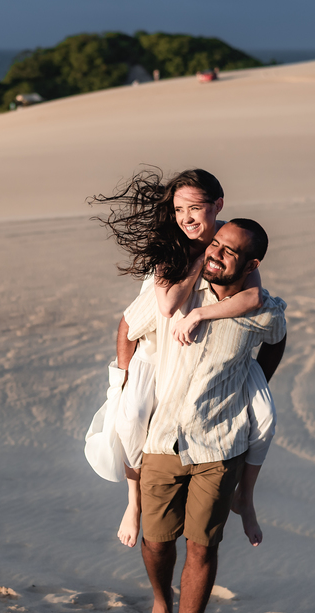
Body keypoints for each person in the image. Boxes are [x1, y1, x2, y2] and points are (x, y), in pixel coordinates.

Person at [121, 219, 286, 613]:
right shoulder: (178, 295)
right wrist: (123, 384)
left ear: (251, 264)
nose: (216, 253)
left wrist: (254, 381)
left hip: (219, 444)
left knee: (202, 545)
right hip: (163, 438)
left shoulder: (261, 310)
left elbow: (276, 338)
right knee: (155, 542)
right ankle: (161, 600)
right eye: (215, 243)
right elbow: (128, 325)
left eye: (229, 251)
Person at [93, 169, 264, 549]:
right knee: (134, 416)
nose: (185, 217)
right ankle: (133, 503)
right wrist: (201, 260)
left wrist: (202, 314)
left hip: (202, 346)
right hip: (154, 344)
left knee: (264, 422)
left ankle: (246, 501)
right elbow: (168, 305)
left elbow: (253, 297)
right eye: (178, 208)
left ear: (217, 205)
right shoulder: (172, 244)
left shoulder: (230, 238)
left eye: (195, 208)